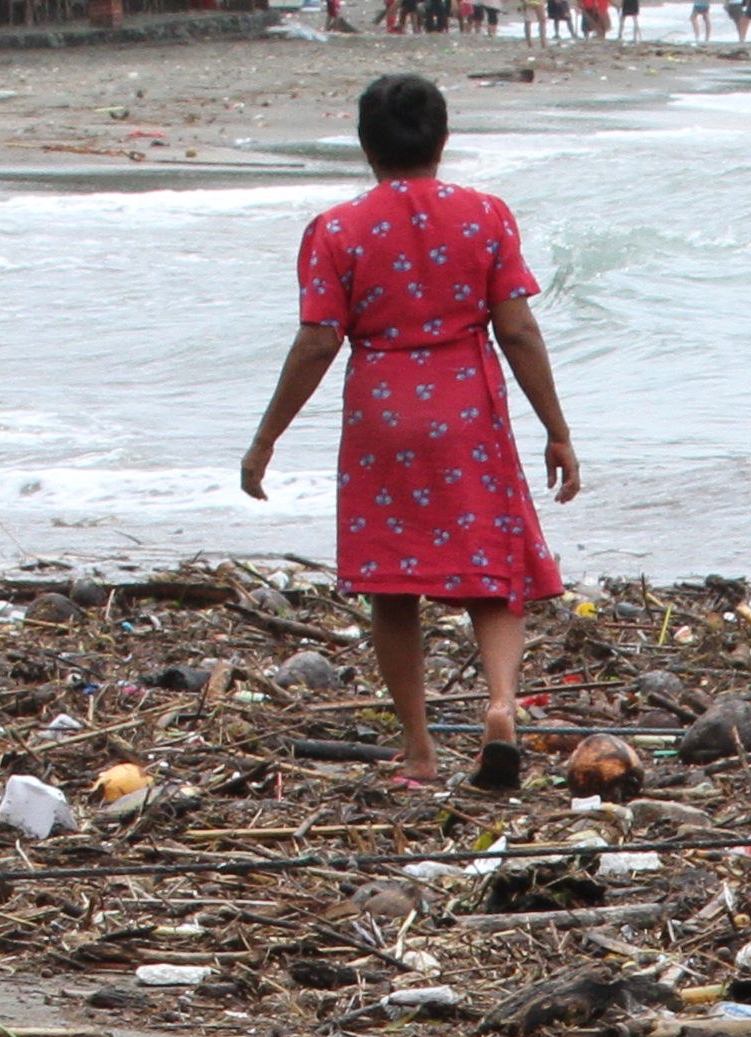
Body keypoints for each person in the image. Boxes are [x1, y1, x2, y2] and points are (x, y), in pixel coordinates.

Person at [235, 72, 580, 796]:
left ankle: (419, 752)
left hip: (381, 415)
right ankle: (500, 706)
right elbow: (516, 328)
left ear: (365, 146)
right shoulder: (487, 216)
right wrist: (557, 429)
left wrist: (266, 438)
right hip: (467, 411)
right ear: (443, 139)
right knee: (494, 570)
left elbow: (317, 342)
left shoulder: (336, 229)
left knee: (391, 585)